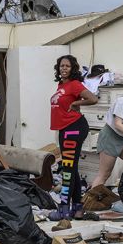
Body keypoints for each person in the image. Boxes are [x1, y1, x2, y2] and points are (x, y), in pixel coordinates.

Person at [49, 54, 98, 219]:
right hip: (65, 128)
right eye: (61, 66)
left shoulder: (75, 84)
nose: (63, 69)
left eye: (67, 66)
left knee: (67, 170)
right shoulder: (61, 85)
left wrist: (77, 103)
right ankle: (77, 207)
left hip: (74, 128)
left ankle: (63, 209)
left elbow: (93, 98)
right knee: (71, 168)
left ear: (73, 69)